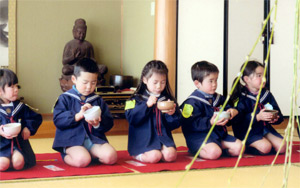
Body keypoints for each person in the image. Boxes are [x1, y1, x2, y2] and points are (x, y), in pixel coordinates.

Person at [53, 58, 117, 167]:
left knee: (111, 157)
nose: (89, 87)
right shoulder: (65, 98)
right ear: (74, 79)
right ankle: (67, 155)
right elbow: (58, 120)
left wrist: (97, 124)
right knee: (82, 161)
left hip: (94, 139)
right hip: (72, 140)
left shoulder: (97, 99)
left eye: (93, 83)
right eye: (85, 82)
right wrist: (77, 116)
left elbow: (109, 121)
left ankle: (90, 153)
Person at [180, 61, 243, 160]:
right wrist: (210, 122)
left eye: (216, 80)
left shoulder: (220, 98)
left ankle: (216, 147)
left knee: (240, 148)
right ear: (197, 83)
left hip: (219, 135)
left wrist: (233, 112)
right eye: (210, 81)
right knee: (214, 153)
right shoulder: (192, 102)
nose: (214, 84)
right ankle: (198, 149)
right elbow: (189, 124)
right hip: (199, 137)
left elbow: (229, 112)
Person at [124, 60, 180, 163]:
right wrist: (146, 105)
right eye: (155, 82)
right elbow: (131, 118)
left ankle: (160, 150)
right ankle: (136, 155)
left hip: (162, 137)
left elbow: (175, 125)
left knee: (170, 156)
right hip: (143, 140)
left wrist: (172, 114)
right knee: (154, 156)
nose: (159, 86)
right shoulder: (135, 99)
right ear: (145, 80)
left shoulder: (167, 99)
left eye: (163, 82)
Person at [230, 60, 285, 155]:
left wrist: (275, 118)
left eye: (264, 75)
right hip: (246, 131)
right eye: (259, 76)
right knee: (265, 147)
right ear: (247, 79)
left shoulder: (266, 94)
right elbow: (237, 121)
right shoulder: (240, 96)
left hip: (264, 129)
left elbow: (279, 114)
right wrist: (257, 117)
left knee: (282, 147)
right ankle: (246, 146)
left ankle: (266, 143)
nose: (263, 79)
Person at [0, 69, 42, 171]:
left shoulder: (20, 106)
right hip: (1, 145)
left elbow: (35, 118)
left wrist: (28, 128)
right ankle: (7, 160)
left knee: (19, 164)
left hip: (18, 145)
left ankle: (12, 160)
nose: (16, 89)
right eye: (11, 86)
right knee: (2, 165)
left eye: (16, 86)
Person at [60, 18, 107, 91]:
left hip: (86, 68)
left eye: (83, 33)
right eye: (79, 33)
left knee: (103, 68)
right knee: (65, 69)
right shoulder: (69, 44)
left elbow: (92, 59)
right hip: (75, 68)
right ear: (74, 31)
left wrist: (92, 61)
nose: (81, 35)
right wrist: (73, 57)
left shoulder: (88, 45)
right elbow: (64, 62)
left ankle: (90, 78)